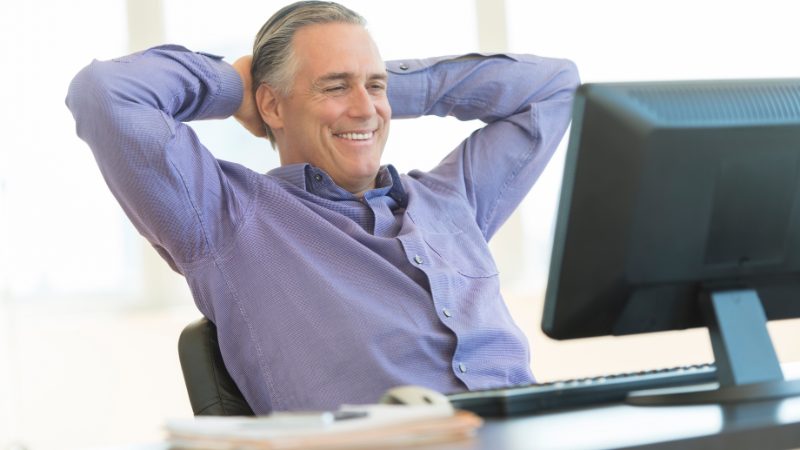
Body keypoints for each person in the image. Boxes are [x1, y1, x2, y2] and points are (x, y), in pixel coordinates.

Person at [66, 1, 579, 414]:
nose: (366, 109)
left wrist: (378, 87)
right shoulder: (226, 218)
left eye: (374, 87)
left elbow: (555, 88)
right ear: (271, 106)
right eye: (333, 87)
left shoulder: (452, 199)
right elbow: (106, 93)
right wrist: (235, 86)